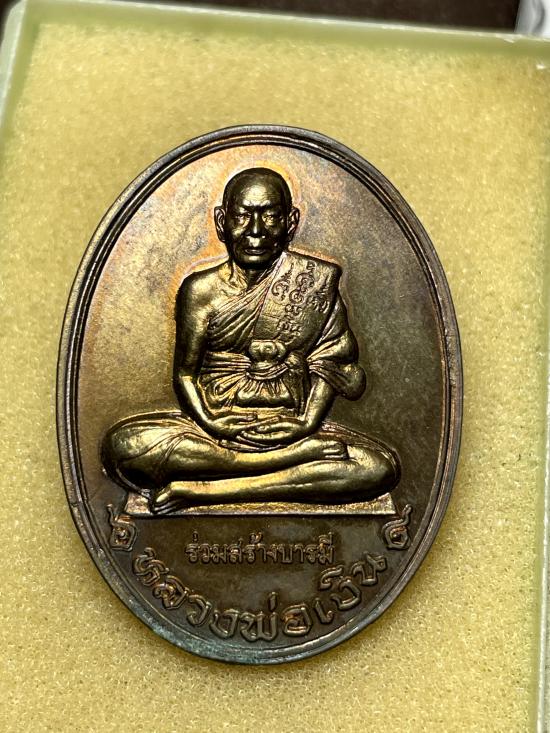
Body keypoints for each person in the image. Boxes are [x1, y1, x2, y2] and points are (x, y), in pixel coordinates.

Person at [102, 167, 399, 512]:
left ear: (290, 223)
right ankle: (277, 463)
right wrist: (211, 421)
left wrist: (305, 424)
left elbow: (332, 362)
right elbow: (185, 374)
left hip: (292, 426)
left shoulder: (314, 283)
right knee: (124, 446)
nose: (256, 231)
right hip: (216, 431)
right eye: (243, 216)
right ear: (221, 222)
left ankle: (208, 492)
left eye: (270, 217)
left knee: (379, 468)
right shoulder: (200, 290)